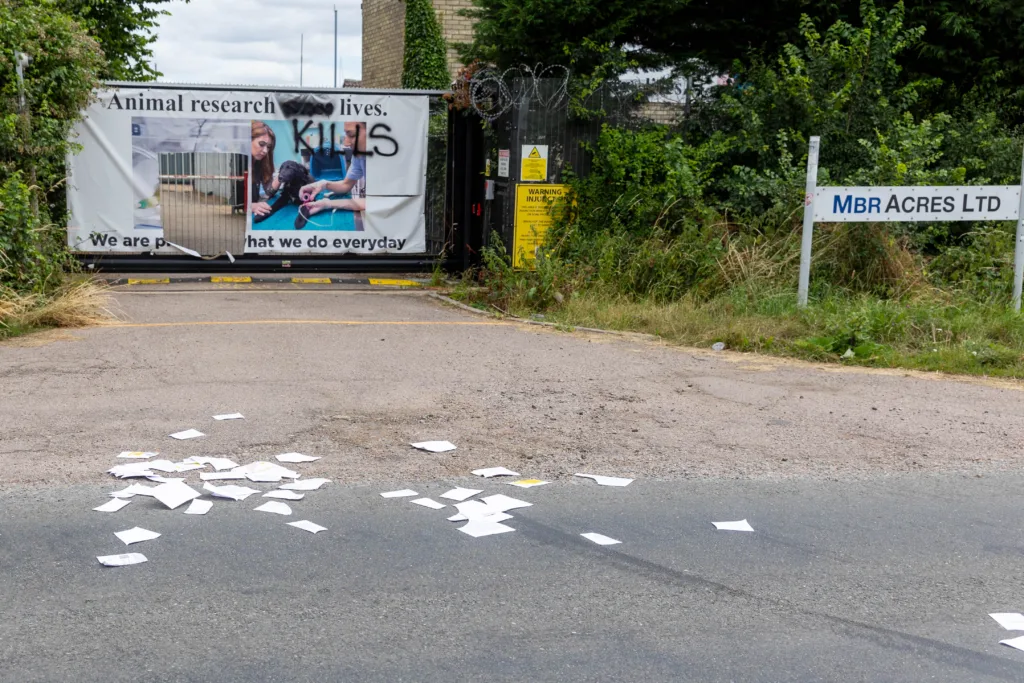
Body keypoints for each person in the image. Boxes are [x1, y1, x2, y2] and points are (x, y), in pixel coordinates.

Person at [297, 121, 366, 216]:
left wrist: (330, 204)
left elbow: (375, 202)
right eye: (346, 135)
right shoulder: (359, 156)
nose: (346, 143)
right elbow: (346, 184)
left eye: (352, 135)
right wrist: (322, 184)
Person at [250, 121, 281, 218]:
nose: (265, 151)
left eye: (268, 147)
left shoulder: (260, 161)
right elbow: (235, 201)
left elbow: (268, 191)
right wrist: (251, 206)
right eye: (261, 144)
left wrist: (281, 177)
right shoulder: (237, 161)